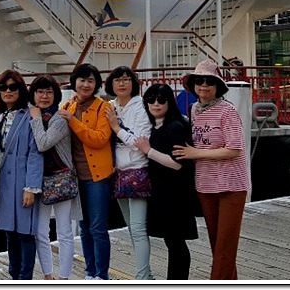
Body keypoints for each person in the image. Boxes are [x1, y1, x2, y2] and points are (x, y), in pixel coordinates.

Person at [173, 59, 250, 280]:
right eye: (199, 81)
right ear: (193, 85)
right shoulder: (194, 110)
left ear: (218, 86)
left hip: (231, 184)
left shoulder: (228, 111)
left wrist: (196, 153)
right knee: (217, 245)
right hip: (206, 184)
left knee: (225, 246)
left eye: (209, 81)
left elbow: (234, 149)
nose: (204, 85)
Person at [134, 83, 199, 280]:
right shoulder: (155, 126)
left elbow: (177, 163)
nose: (156, 104)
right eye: (151, 99)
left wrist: (148, 151)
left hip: (175, 193)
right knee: (172, 241)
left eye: (161, 100)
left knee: (176, 241)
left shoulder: (175, 127)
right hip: (161, 190)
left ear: (170, 102)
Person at [56, 63, 113, 280]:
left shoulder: (103, 107)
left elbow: (99, 139)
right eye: (82, 80)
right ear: (74, 82)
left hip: (97, 176)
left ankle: (102, 275)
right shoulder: (68, 105)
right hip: (74, 176)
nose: (86, 85)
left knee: (98, 227)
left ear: (97, 84)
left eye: (91, 81)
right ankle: (90, 272)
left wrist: (73, 122)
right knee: (84, 226)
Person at [0, 70, 43, 280]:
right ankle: (14, 276)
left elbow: (35, 152)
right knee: (10, 232)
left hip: (22, 182)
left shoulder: (29, 115)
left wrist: (31, 187)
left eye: (13, 87)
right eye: (3, 87)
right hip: (3, 183)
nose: (8, 91)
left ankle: (25, 277)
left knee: (25, 233)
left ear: (21, 90)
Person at [29, 74, 81, 280]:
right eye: (40, 92)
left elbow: (43, 143)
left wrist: (35, 119)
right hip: (39, 180)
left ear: (55, 95)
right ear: (33, 94)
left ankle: (64, 278)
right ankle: (47, 276)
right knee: (40, 231)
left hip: (62, 178)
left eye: (49, 92)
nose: (44, 96)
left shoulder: (59, 118)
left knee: (64, 231)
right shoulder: (30, 115)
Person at [104, 66, 153, 280]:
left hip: (138, 170)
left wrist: (116, 128)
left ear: (133, 83)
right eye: (117, 80)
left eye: (126, 79)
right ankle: (147, 274)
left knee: (139, 228)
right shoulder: (110, 106)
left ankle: (142, 278)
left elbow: (140, 142)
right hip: (118, 173)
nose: (122, 83)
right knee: (132, 228)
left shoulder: (141, 106)